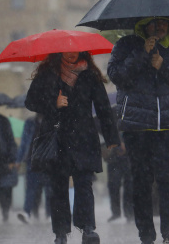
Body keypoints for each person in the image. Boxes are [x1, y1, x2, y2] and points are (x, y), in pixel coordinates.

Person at [107, 17, 169, 244]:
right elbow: (116, 76)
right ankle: (146, 234)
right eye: (154, 23)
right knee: (141, 181)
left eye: (164, 23)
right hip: (138, 127)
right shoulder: (126, 45)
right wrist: (141, 54)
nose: (160, 28)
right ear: (143, 25)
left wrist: (164, 66)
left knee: (168, 179)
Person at [25, 51, 120, 244]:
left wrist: (111, 136)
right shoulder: (48, 73)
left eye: (74, 49)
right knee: (58, 187)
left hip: (84, 137)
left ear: (81, 51)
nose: (71, 53)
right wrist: (54, 103)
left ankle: (87, 228)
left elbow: (102, 106)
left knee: (84, 184)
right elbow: (31, 101)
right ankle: (60, 233)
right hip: (57, 137)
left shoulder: (89, 75)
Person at [15, 113, 52, 223]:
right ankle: (27, 212)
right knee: (31, 188)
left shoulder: (52, 120)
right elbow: (24, 142)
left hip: (47, 161)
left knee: (49, 189)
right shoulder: (30, 123)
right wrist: (18, 160)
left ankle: (49, 214)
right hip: (32, 160)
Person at [104, 132, 133, 223]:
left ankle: (129, 212)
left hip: (128, 156)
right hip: (114, 157)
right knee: (114, 185)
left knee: (129, 185)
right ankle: (116, 212)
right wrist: (118, 145)